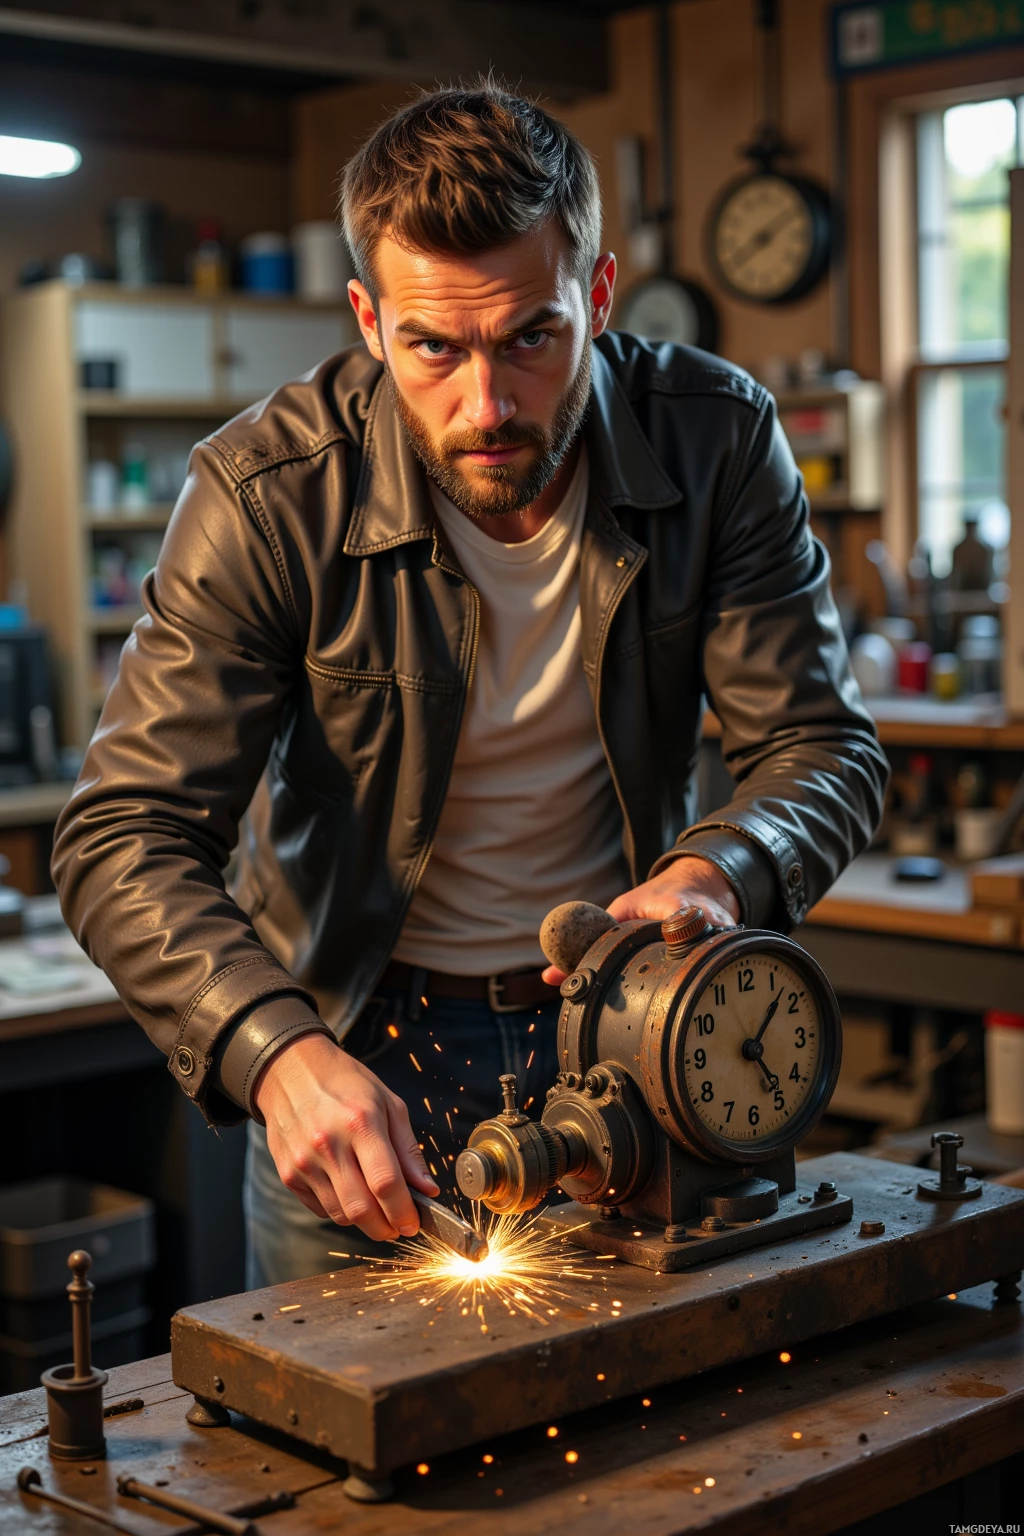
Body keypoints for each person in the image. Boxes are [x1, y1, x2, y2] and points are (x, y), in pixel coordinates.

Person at [52, 81, 887, 1287]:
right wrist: (276, 1053)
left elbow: (822, 746)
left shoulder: (718, 438)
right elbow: (123, 833)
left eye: (530, 338)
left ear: (596, 298)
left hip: (630, 1030)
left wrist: (716, 872)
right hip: (356, 1053)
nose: (484, 407)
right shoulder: (266, 493)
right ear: (367, 316)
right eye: (431, 348)